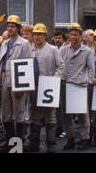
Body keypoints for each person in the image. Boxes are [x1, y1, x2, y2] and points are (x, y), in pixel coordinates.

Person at [23, 23, 64, 153]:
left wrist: (54, 79)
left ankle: (50, 144)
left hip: (48, 86)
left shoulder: (53, 49)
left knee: (50, 115)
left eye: (40, 35)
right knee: (34, 115)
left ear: (45, 36)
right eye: (35, 34)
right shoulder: (29, 49)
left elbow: (61, 66)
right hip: (33, 86)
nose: (37, 37)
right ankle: (34, 143)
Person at [0, 15, 33, 153]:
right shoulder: (4, 43)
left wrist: (21, 86)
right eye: (8, 26)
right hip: (4, 77)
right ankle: (9, 141)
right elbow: (0, 64)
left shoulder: (24, 43)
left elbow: (27, 65)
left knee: (19, 113)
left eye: (12, 26)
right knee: (5, 113)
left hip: (17, 80)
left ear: (18, 28)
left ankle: (19, 143)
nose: (10, 29)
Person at [61, 23, 95, 151]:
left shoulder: (87, 51)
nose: (73, 37)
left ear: (81, 36)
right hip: (66, 84)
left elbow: (92, 69)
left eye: (76, 34)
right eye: (71, 34)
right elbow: (59, 65)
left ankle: (85, 139)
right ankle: (70, 139)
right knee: (66, 114)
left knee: (83, 114)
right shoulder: (64, 49)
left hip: (80, 86)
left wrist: (89, 82)